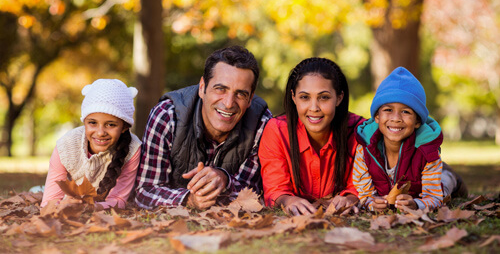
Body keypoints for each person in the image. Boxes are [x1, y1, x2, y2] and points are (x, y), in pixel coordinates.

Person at [135, 45, 272, 210]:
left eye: (240, 94)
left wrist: (225, 180)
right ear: (202, 87)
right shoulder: (167, 116)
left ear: (250, 99)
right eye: (220, 89)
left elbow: (254, 195)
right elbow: (145, 191)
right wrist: (188, 199)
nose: (229, 103)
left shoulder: (261, 125)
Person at [353, 67, 468, 212]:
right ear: (377, 116)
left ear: (417, 122)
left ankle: (452, 177)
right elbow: (365, 194)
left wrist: (417, 204)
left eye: (406, 112)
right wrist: (371, 203)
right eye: (388, 110)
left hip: (426, 183)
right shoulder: (365, 148)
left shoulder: (427, 151)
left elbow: (434, 197)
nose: (396, 118)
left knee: (443, 185)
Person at [258, 58, 364, 216]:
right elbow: (275, 189)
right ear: (293, 97)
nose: (314, 108)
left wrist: (350, 198)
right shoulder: (277, 131)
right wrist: (288, 201)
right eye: (305, 97)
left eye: (324, 97)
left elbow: (359, 186)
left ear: (339, 98)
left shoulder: (358, 131)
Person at [41, 79, 142, 209]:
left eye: (111, 124)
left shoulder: (132, 149)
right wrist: (65, 206)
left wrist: (90, 207)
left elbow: (118, 200)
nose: (100, 133)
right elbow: (48, 202)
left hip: (98, 205)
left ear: (124, 127)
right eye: (92, 123)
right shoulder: (66, 146)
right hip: (73, 200)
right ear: (84, 122)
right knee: (41, 191)